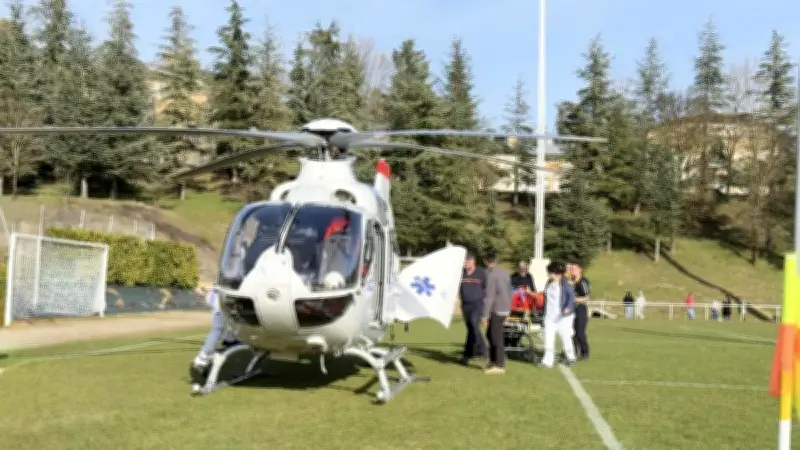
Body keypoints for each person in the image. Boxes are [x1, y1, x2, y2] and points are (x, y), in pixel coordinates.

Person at [190, 283, 240, 384]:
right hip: (227, 298)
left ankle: (202, 360)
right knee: (219, 328)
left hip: (223, 298)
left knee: (224, 328)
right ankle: (201, 361)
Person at [540, 261, 577, 368]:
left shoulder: (566, 283)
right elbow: (546, 297)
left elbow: (571, 297)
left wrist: (568, 308)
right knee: (548, 338)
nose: (548, 275)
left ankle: (571, 357)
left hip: (563, 317)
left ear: (555, 272)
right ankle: (547, 361)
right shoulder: (549, 283)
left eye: (550, 272)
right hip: (549, 316)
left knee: (565, 338)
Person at [481, 251, 512, 374]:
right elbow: (510, 292)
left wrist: (485, 315)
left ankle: (499, 364)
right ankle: (493, 361)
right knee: (490, 335)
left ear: (486, 261)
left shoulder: (491, 275)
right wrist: (509, 310)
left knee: (496, 337)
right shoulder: (505, 273)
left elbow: (490, 296)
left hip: (496, 309)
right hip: (504, 308)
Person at [458, 253, 488, 366]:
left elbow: (487, 288)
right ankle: (467, 355)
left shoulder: (481, 273)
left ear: (473, 262)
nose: (465, 264)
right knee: (470, 329)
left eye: (467, 262)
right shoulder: (461, 274)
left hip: (478, 304)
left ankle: (484, 351)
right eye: (464, 262)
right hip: (465, 305)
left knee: (474, 325)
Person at [569, 262, 591, 361]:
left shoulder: (583, 281)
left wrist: (574, 299)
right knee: (571, 333)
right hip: (570, 310)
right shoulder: (569, 281)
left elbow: (587, 297)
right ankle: (574, 352)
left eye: (574, 269)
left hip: (580, 309)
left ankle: (585, 352)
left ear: (580, 269)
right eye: (571, 269)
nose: (572, 270)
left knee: (580, 333)